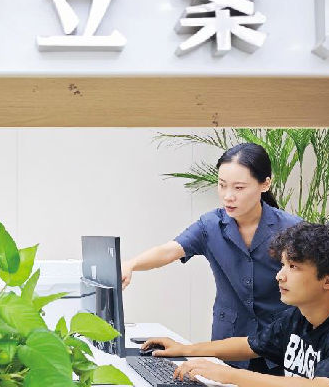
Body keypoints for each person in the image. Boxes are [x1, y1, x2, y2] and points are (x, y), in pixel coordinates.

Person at [141, 222, 329, 387]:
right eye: (283, 265)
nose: (280, 276)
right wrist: (186, 349)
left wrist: (228, 375)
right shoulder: (297, 316)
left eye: (294, 267)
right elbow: (251, 345)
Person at [122, 142, 301, 369]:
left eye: (239, 188)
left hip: (281, 343)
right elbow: (169, 250)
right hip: (228, 342)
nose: (228, 196)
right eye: (222, 185)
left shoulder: (292, 229)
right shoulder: (210, 225)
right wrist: (131, 264)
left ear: (265, 184)